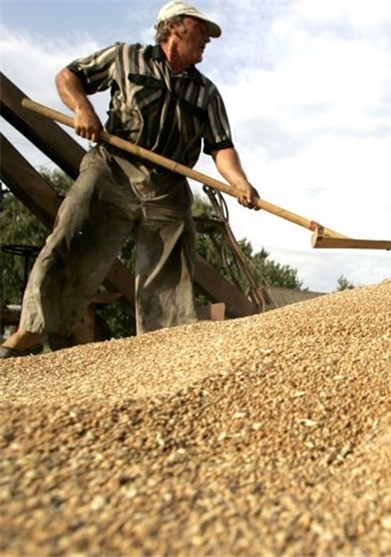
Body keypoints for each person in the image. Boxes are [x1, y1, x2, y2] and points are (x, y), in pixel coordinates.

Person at [0, 1, 259, 358]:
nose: (207, 40)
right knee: (71, 244)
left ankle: (159, 351)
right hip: (113, 170)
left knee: (169, 275)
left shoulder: (207, 93)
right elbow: (68, 76)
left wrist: (239, 182)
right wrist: (82, 108)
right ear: (174, 28)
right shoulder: (125, 57)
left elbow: (221, 146)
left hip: (168, 186)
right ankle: (27, 334)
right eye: (201, 30)